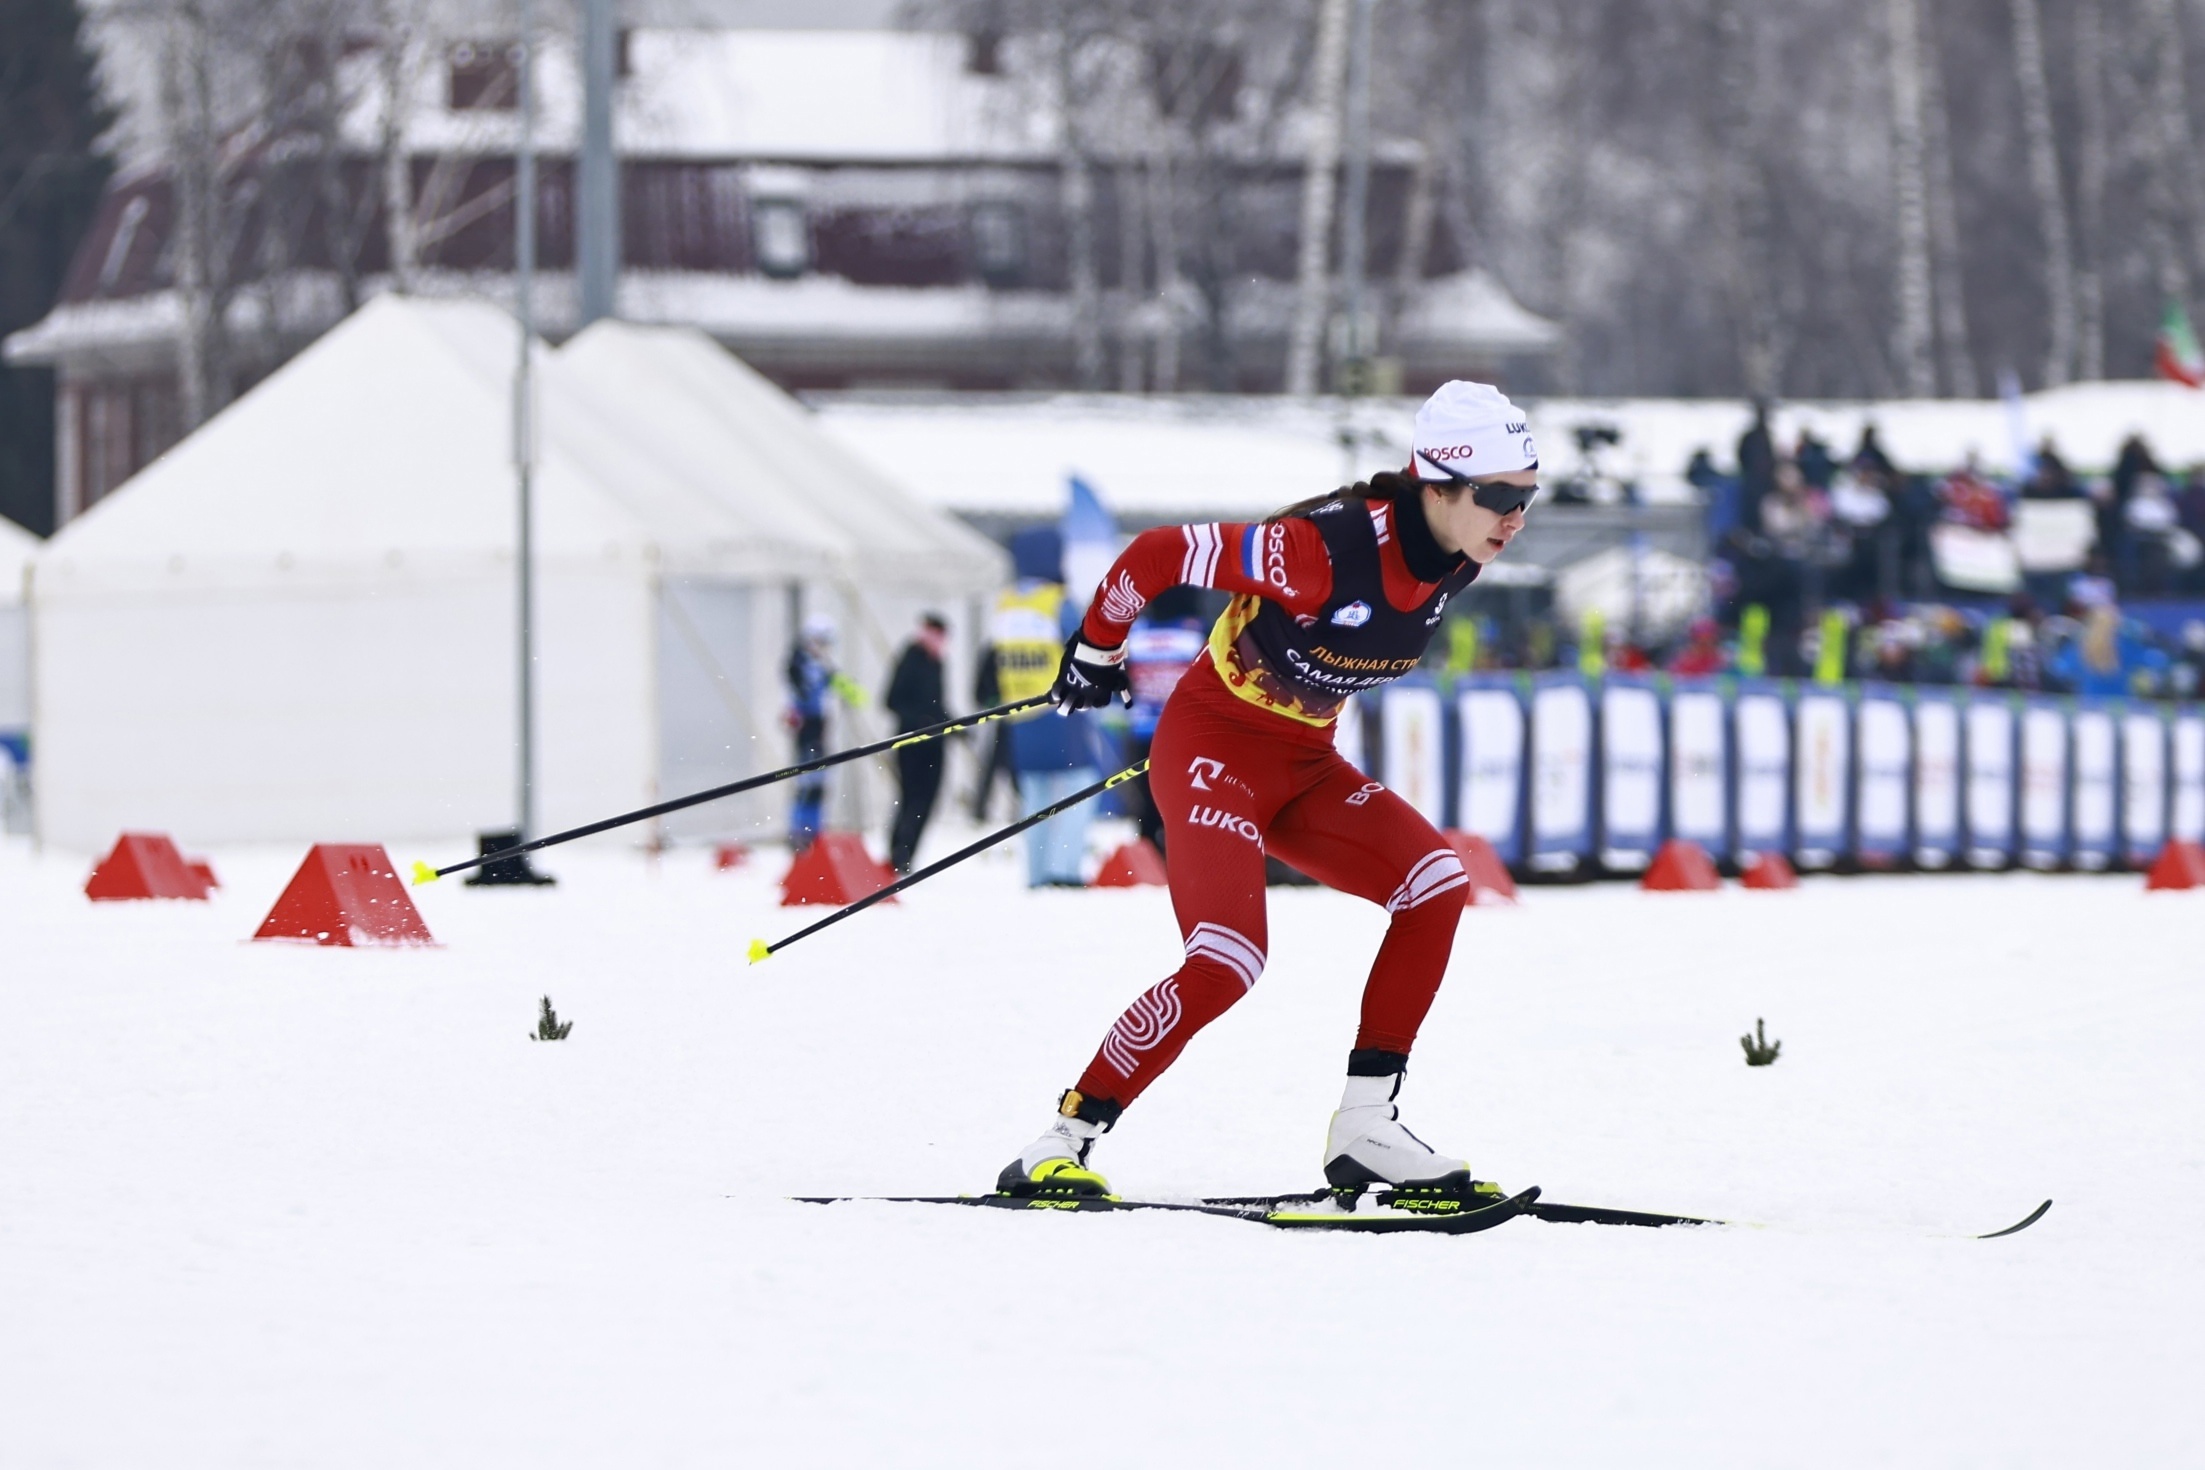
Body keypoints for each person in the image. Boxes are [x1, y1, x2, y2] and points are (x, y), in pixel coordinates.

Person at [997, 380, 1539, 1204]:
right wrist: (1096, 651)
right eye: (1500, 496)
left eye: (1527, 497)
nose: (1515, 517)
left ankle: (1365, 1126)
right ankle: (1058, 1140)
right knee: (1227, 959)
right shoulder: (1317, 550)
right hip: (1212, 750)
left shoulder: (1460, 556)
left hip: (1303, 766)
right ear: (1436, 482)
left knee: (1435, 885)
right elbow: (1156, 555)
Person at [991, 528, 1102, 887]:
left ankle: (1036, 873)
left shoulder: (1005, 602)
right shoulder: (1057, 600)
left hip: (1019, 711)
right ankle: (1064, 869)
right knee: (1081, 785)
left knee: (1034, 794)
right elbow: (1084, 646)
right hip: (1059, 708)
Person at [1121, 590, 1208, 853]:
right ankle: (1184, 859)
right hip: (1185, 734)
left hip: (1143, 730)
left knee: (1147, 805)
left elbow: (1123, 680)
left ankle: (1148, 858)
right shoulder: (1195, 633)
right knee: (1185, 803)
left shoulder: (1138, 634)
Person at [883, 613, 951, 875]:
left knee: (929, 800)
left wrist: (953, 725)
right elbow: (892, 700)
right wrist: (920, 721)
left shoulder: (937, 661)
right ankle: (898, 853)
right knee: (911, 798)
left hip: (935, 743)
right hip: (912, 742)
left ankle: (909, 854)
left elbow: (937, 705)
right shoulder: (911, 658)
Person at [783, 615, 850, 853]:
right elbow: (803, 694)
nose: (823, 649)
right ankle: (800, 831)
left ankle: (814, 830)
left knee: (819, 783)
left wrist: (846, 689)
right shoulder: (800, 665)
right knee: (807, 782)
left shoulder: (820, 667)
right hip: (807, 730)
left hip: (820, 728)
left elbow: (847, 690)